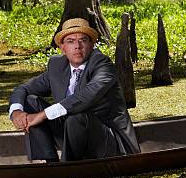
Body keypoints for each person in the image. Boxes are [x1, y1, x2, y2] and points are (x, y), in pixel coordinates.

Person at [9, 18, 140, 162]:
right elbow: (23, 89)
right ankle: (50, 162)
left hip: (109, 142)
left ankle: (68, 167)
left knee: (77, 117)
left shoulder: (102, 64)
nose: (77, 46)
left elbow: (86, 97)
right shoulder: (57, 66)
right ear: (62, 48)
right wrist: (16, 112)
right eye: (70, 41)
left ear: (92, 45)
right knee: (30, 101)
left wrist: (42, 115)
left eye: (83, 40)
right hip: (70, 134)